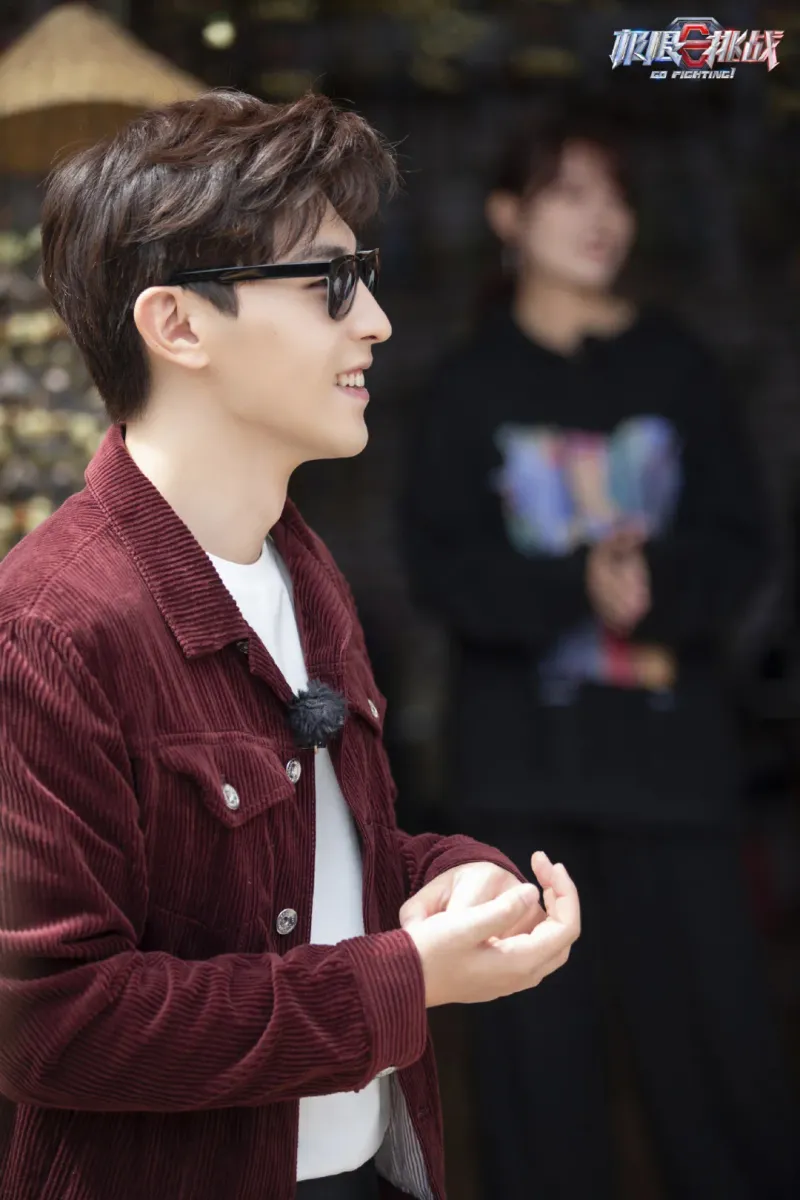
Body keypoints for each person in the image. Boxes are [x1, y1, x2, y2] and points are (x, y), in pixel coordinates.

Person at [0, 91, 582, 1200]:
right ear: (177, 326)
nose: (376, 321)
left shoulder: (300, 571)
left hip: (364, 1168)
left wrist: (451, 880)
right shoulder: (49, 628)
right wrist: (399, 982)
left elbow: (326, 867)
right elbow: (52, 1024)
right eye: (328, 283)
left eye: (363, 276)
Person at [402, 104, 798, 1200]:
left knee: (722, 1068)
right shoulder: (469, 385)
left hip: (676, 781)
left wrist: (651, 588)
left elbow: (743, 540)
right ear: (506, 217)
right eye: (569, 192)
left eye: (615, 194)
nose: (602, 217)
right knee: (537, 1084)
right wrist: (571, 584)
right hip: (524, 789)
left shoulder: (678, 367)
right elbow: (438, 567)